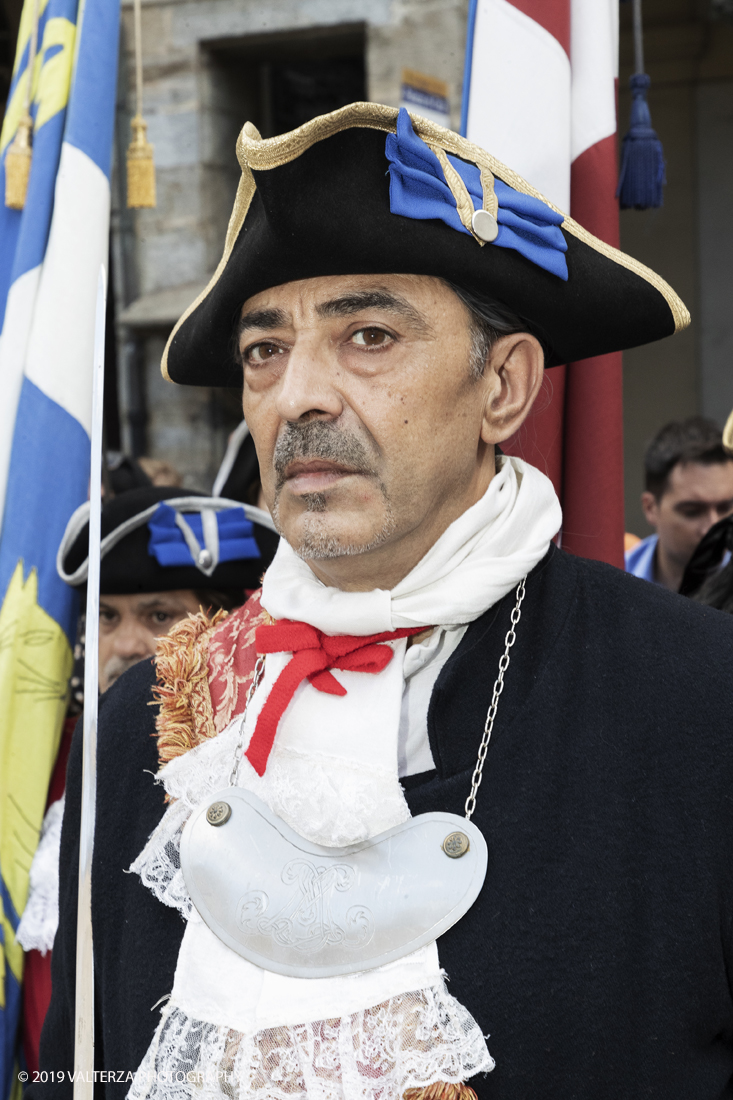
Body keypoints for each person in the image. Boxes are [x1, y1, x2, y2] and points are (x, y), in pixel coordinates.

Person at [30, 105, 733, 1100]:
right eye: (264, 351)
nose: (296, 396)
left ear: (502, 388)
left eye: (366, 334)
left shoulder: (701, 700)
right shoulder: (142, 723)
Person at [17, 486, 278, 1072]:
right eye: (106, 616)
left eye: (159, 616)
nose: (127, 643)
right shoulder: (37, 759)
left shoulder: (257, 774)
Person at [625, 416, 733, 590]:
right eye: (692, 511)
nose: (713, 527)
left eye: (725, 508)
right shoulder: (614, 580)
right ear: (650, 508)